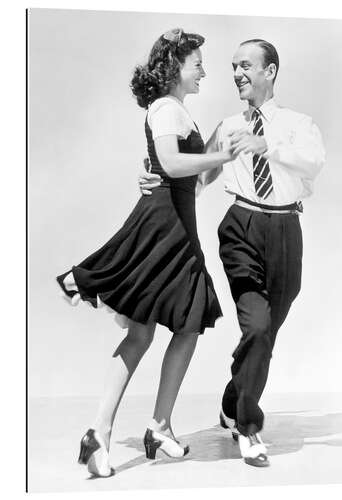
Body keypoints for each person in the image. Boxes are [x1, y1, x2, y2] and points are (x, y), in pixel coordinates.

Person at [56, 28, 243, 477]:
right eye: (196, 61)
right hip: (165, 228)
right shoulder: (164, 108)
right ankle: (148, 427)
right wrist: (220, 157)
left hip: (176, 222)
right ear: (174, 66)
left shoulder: (181, 112)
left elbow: (193, 182)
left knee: (165, 328)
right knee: (179, 322)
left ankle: (112, 432)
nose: (204, 69)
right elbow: (173, 164)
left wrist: (218, 141)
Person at [139, 38, 325, 467]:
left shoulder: (298, 123)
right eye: (233, 67)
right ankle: (248, 427)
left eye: (246, 65)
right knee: (257, 326)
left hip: (285, 230)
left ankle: (231, 400)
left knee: (266, 332)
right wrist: (156, 185)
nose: (237, 73)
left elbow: (313, 163)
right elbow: (198, 180)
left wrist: (268, 147)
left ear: (270, 71)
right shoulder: (226, 127)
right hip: (240, 226)